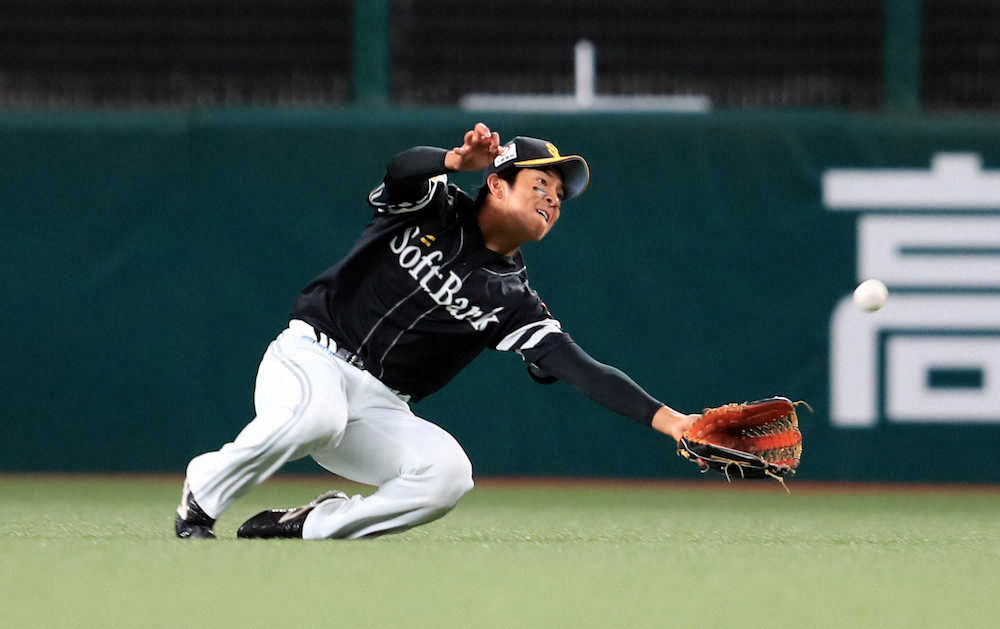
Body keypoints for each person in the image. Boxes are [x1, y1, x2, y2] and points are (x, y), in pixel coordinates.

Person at [175, 123, 698, 540]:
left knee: (448, 474)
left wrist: (673, 422)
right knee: (317, 414)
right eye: (540, 184)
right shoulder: (436, 205)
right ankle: (202, 496)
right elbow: (400, 170)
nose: (552, 200)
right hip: (311, 355)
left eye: (560, 196)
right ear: (496, 182)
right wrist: (450, 161)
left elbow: (581, 368)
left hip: (379, 407)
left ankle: (310, 524)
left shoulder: (513, 301)